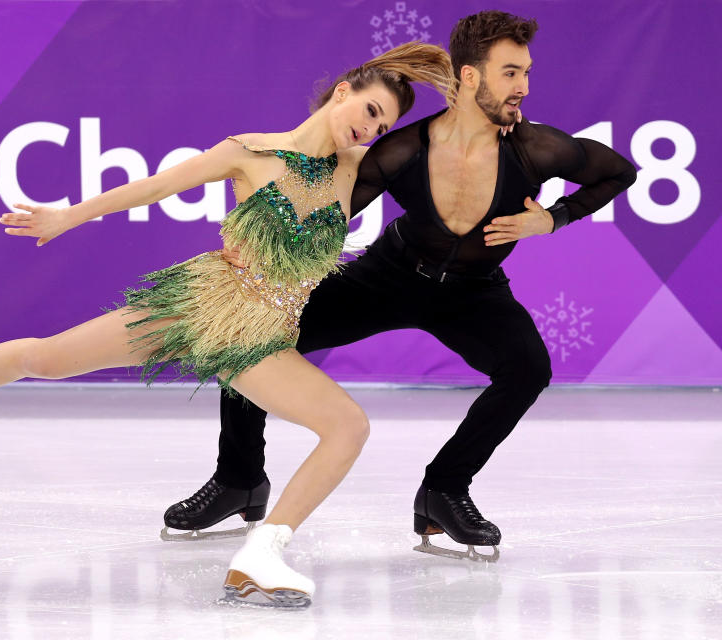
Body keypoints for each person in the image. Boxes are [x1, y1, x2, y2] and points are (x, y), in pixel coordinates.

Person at [0, 42, 454, 607]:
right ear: (342, 92)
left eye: (383, 123)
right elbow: (153, 187)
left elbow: (451, 148)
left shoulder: (355, 171)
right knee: (43, 358)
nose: (369, 128)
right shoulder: (250, 153)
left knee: (346, 426)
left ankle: (262, 554)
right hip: (208, 300)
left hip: (262, 332)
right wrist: (68, 216)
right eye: (368, 111)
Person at [162, 10, 638, 562]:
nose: (524, 88)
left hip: (474, 290)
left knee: (529, 368)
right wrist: (256, 245)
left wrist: (551, 219)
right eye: (510, 73)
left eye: (526, 72)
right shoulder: (404, 148)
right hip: (390, 275)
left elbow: (618, 172)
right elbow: (321, 209)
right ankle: (239, 479)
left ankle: (444, 489)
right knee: (256, 336)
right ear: (469, 76)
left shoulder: (536, 148)